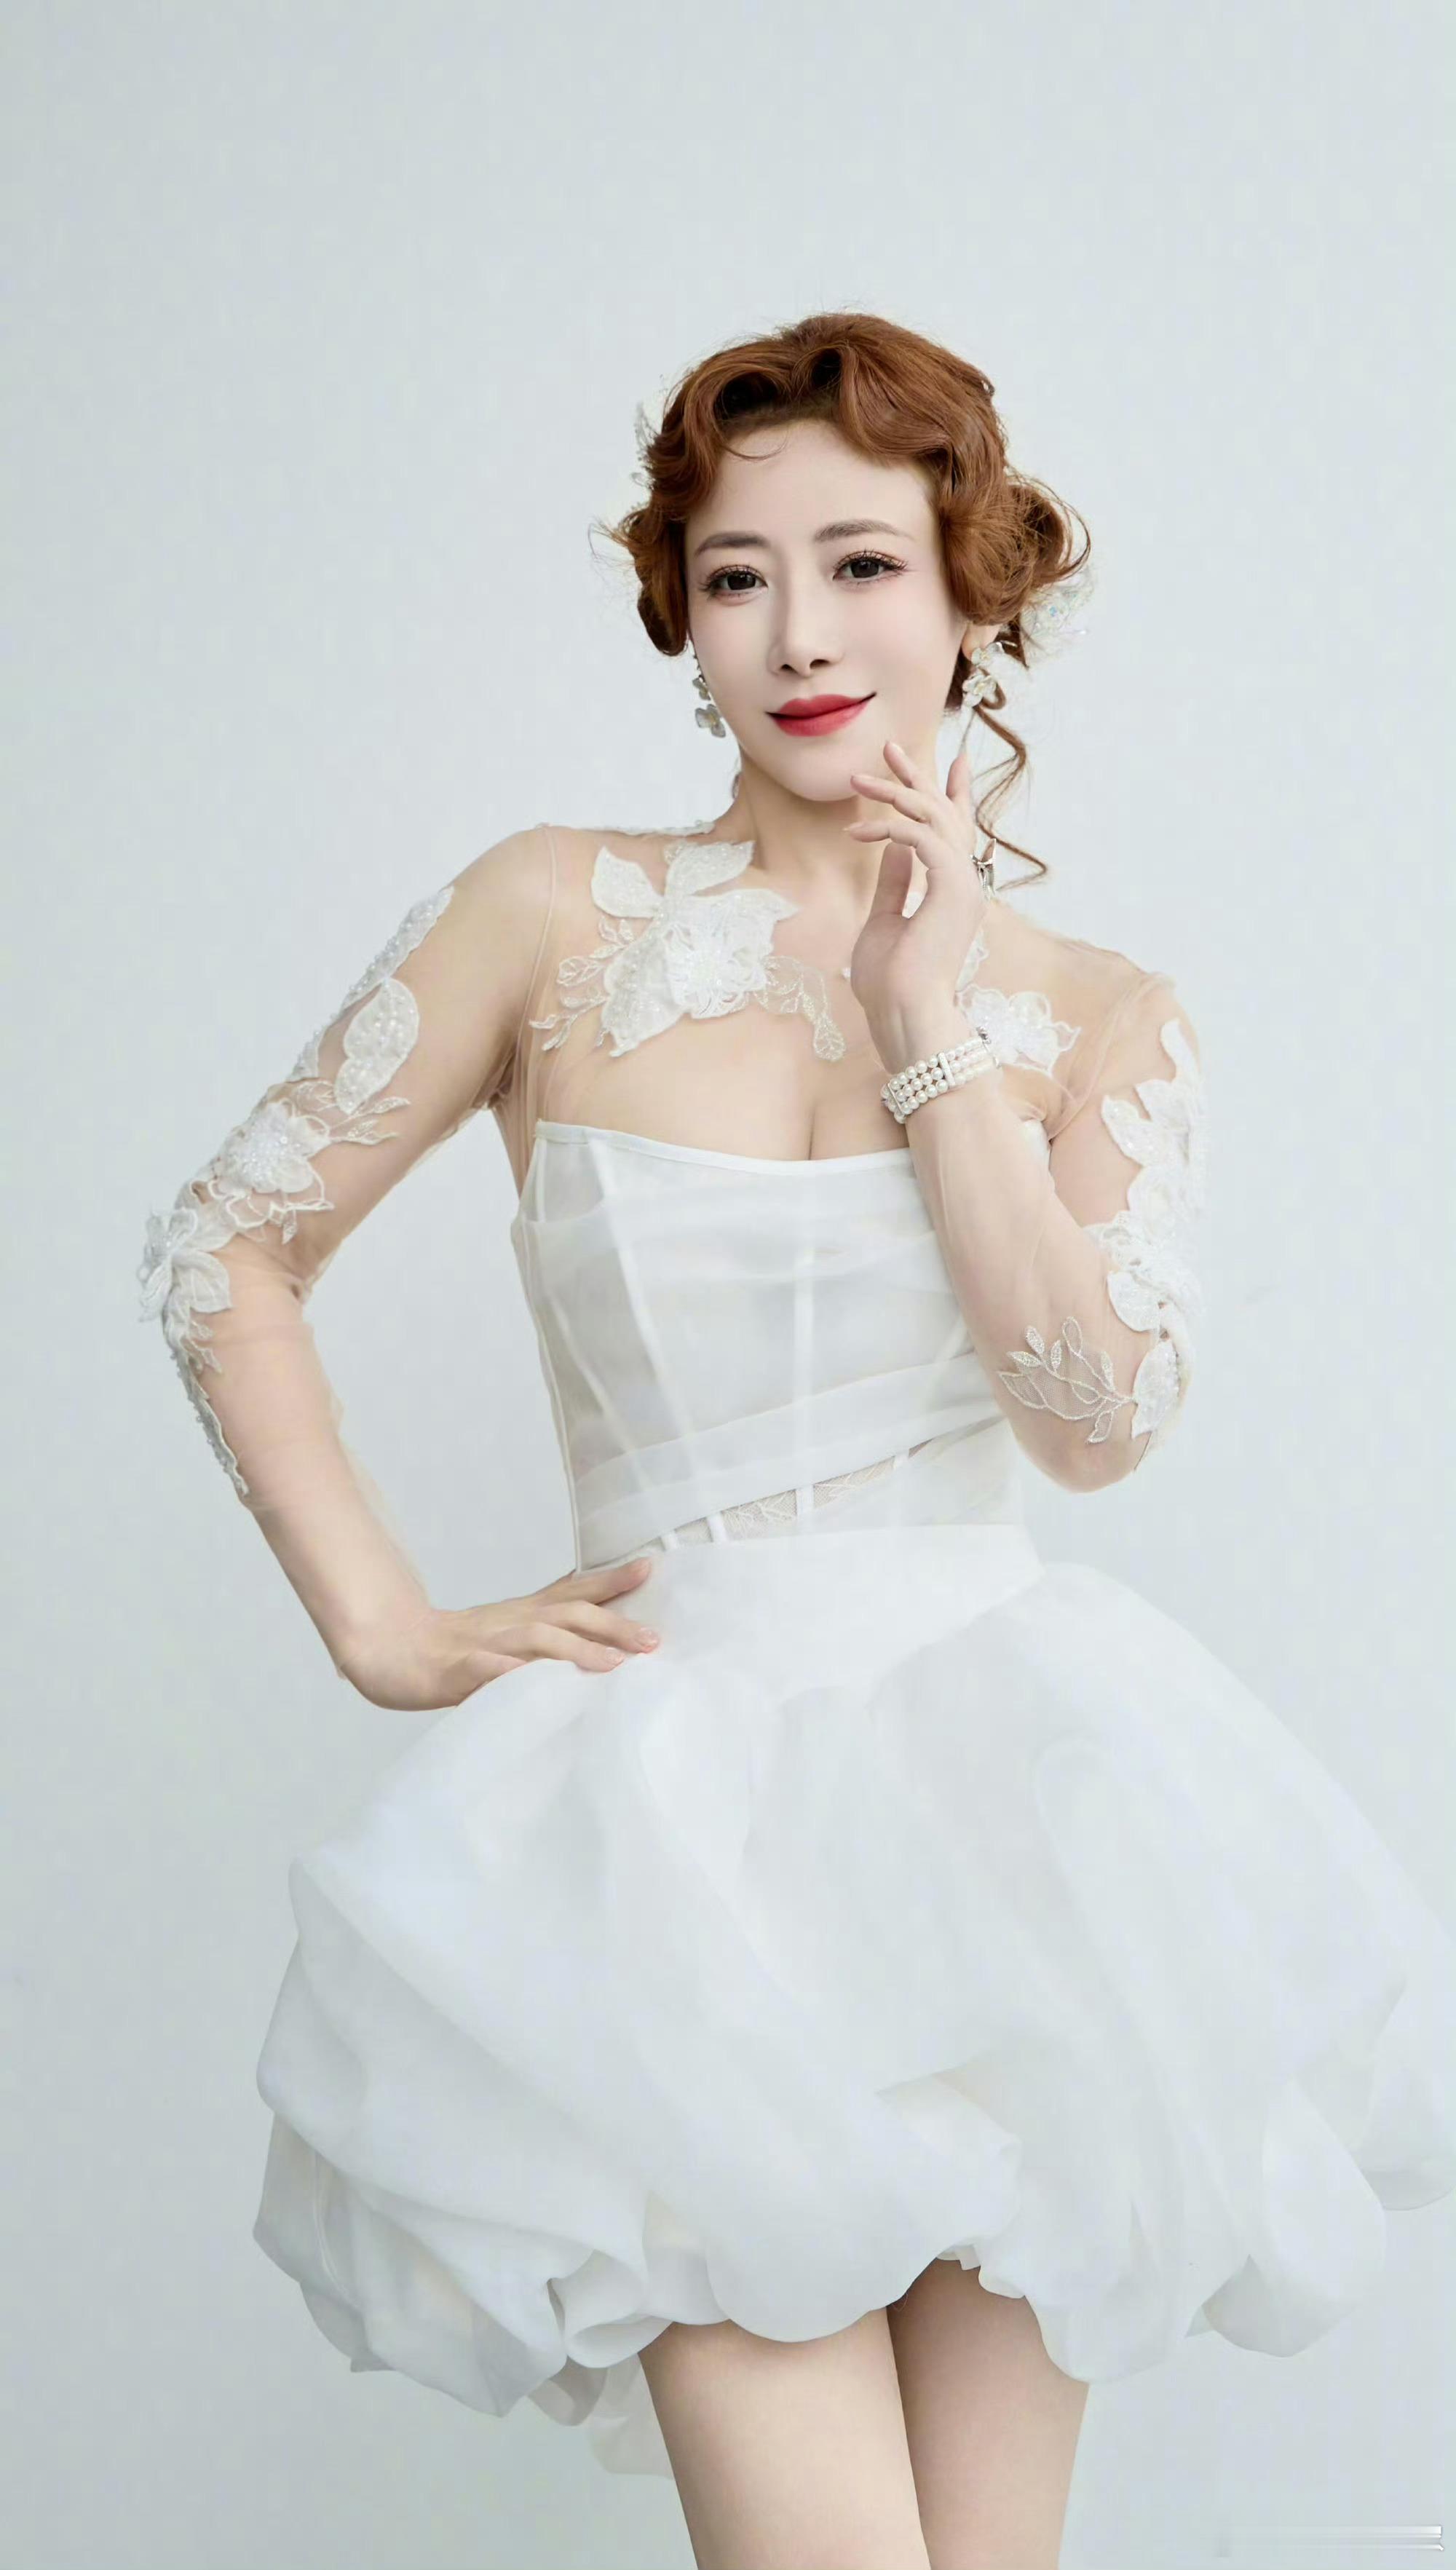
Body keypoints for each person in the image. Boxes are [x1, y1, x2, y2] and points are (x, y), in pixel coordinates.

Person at [137, 311, 1456, 2570]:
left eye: (860, 566)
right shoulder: (550, 914)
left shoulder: (1096, 1014)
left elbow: (1092, 1426)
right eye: (739, 576)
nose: (802, 634)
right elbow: (225, 1247)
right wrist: (383, 1625)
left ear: (969, 591)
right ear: (683, 614)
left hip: (1006, 1833)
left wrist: (931, 1024)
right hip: (672, 1843)